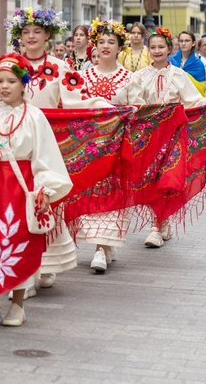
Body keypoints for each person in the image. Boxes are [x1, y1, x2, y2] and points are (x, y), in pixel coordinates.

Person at [0, 8, 109, 291]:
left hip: (49, 145)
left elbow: (79, 99)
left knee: (47, 203)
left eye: (37, 32)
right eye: (26, 32)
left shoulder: (60, 67)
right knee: (17, 207)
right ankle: (24, 269)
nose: (31, 37)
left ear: (47, 35)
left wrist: (108, 108)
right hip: (14, 147)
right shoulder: (10, 65)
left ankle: (46, 264)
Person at [0, 54, 72, 330]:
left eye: (11, 81)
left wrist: (44, 189)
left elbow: (45, 157)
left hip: (22, 189)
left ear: (24, 84)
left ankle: (18, 304)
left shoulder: (34, 116)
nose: (4, 87)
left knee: (20, 243)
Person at [128, 28, 206, 248]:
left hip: (172, 134)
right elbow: (135, 104)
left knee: (167, 179)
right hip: (149, 135)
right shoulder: (140, 76)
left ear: (169, 49)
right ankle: (162, 220)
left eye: (161, 47)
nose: (157, 51)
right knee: (151, 179)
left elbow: (193, 100)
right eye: (152, 47)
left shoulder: (179, 75)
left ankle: (156, 226)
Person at [78, 19, 133, 274]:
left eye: (112, 42)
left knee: (111, 195)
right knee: (92, 194)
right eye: (101, 42)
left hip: (117, 144)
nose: (106, 46)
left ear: (120, 46)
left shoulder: (129, 78)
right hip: (90, 145)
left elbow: (138, 108)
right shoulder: (82, 76)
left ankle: (102, 247)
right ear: (94, 47)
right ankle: (102, 245)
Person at [169, 31, 206, 97]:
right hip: (174, 100)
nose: (183, 43)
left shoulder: (198, 64)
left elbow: (201, 87)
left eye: (187, 41)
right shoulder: (171, 61)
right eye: (181, 41)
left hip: (192, 102)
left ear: (193, 43)